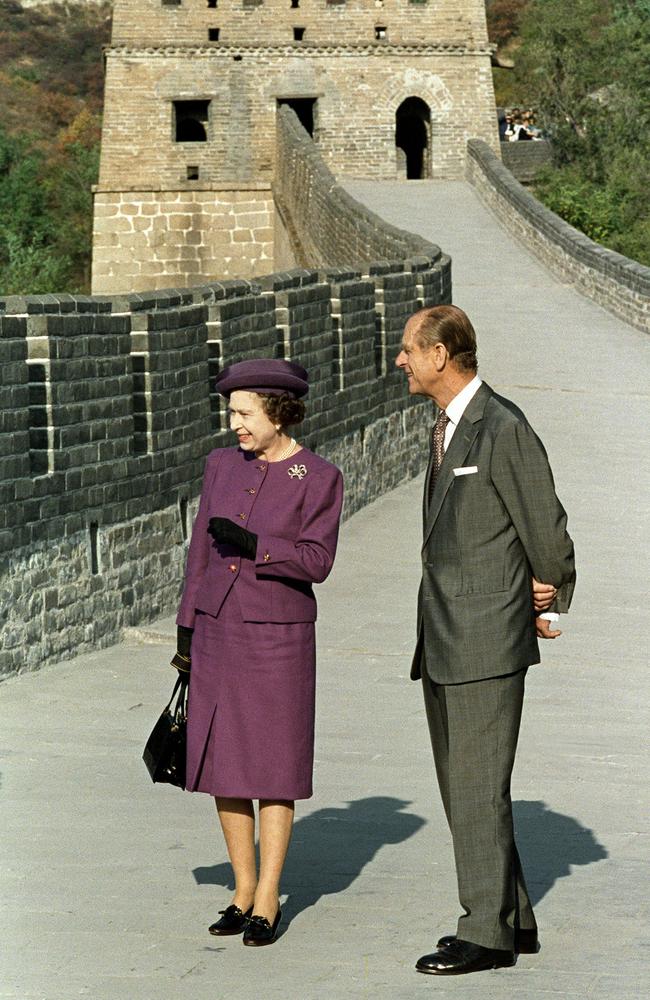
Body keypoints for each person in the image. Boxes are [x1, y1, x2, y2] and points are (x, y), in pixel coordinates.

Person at [395, 305, 576, 976]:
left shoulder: (503, 429)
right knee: (464, 788)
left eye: (408, 349)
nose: (400, 361)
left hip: (485, 640)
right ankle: (512, 918)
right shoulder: (446, 427)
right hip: (443, 636)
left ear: (441, 355)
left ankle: (485, 936)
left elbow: (546, 528)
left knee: (476, 786)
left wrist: (549, 598)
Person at [173, 358, 344, 946]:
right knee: (224, 761)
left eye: (244, 413)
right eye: (230, 412)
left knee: (273, 766)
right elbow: (199, 547)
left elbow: (318, 562)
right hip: (218, 631)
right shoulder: (220, 465)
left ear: (278, 411)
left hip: (278, 638)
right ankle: (241, 889)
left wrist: (257, 546)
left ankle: (269, 896)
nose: (234, 424)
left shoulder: (319, 476)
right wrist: (185, 626)